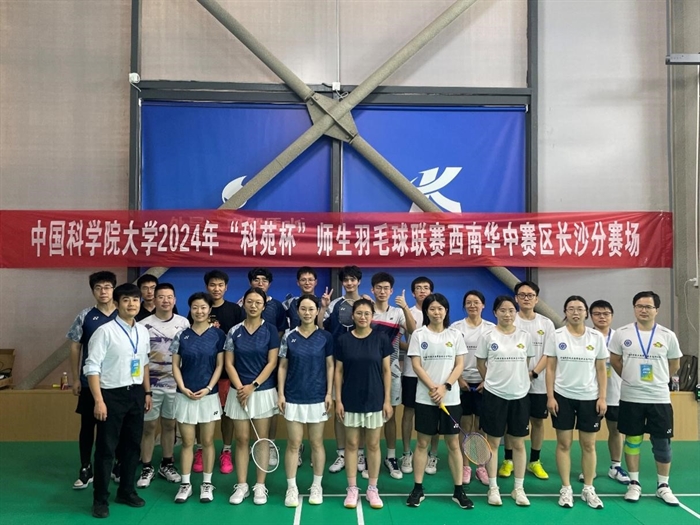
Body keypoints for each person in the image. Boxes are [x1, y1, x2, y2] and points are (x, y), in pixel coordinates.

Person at [84, 283, 152, 519]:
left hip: (136, 394)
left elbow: (144, 363)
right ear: (116, 303)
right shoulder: (105, 331)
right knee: (106, 449)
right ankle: (100, 499)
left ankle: (126, 491)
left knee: (132, 446)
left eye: (135, 300)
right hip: (111, 394)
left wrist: (147, 392)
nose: (132, 304)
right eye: (126, 300)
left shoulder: (142, 331)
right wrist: (98, 400)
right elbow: (91, 367)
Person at [609, 291, 682, 507]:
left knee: (662, 443)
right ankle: (634, 483)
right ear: (634, 308)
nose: (643, 310)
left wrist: (658, 380)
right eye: (639, 306)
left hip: (659, 397)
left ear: (656, 310)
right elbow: (615, 360)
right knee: (632, 440)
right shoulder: (621, 333)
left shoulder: (668, 335)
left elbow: (674, 364)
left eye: (648, 307)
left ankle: (663, 486)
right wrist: (631, 379)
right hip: (631, 397)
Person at [406, 293, 473, 510]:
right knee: (422, 443)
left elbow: (459, 365)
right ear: (426, 311)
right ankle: (417, 488)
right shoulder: (419, 335)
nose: (436, 312)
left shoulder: (455, 335)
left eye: (440, 308)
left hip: (450, 399)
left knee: (453, 444)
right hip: (425, 399)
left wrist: (445, 387)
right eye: (432, 309)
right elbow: (416, 365)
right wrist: (433, 388)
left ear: (446, 311)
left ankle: (458, 490)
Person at [545, 295, 607, 510]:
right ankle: (566, 488)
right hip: (562, 397)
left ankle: (588, 488)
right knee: (564, 444)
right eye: (571, 308)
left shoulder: (596, 337)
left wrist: (602, 397)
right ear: (565, 312)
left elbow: (601, 369)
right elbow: (550, 368)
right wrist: (550, 396)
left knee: (589, 445)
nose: (575, 312)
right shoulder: (556, 335)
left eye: (580, 308)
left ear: (586, 313)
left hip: (590, 398)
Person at [475, 295, 535, 507]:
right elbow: (480, 363)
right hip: (494, 396)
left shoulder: (525, 336)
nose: (507, 314)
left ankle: (518, 488)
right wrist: (491, 381)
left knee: (518, 443)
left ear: (515, 312)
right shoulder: (487, 336)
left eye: (511, 310)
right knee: (493, 443)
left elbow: (527, 362)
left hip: (519, 396)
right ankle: (493, 488)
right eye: (502, 310)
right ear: (495, 312)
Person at [335, 299, 392, 510]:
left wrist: (387, 400)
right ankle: (352, 488)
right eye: (359, 313)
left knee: (373, 445)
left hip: (375, 398)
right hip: (350, 399)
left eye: (367, 313)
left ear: (372, 316)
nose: (363, 317)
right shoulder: (343, 340)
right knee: (351, 445)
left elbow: (386, 371)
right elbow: (338, 371)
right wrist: (338, 400)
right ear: (353, 315)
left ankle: (372, 488)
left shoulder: (381, 339)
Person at [224, 287, 280, 506]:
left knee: (261, 439)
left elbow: (272, 362)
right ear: (244, 303)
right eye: (250, 301)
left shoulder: (271, 330)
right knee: (241, 439)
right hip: (238, 391)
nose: (253, 305)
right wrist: (241, 388)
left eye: (258, 302)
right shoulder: (234, 331)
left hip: (262, 390)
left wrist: (252, 386)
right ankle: (242, 485)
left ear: (264, 306)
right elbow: (229, 363)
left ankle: (259, 485)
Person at [278, 294, 334, 507]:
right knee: (294, 443)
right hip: (293, 396)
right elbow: (283, 366)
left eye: (311, 309)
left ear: (317, 311)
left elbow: (330, 365)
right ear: (297, 311)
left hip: (317, 396)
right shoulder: (288, 336)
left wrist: (329, 393)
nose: (307, 313)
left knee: (317, 443)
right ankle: (291, 488)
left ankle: (317, 486)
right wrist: (281, 394)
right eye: (303, 309)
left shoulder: (325, 337)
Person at [187, 270, 244, 476]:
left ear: (226, 287)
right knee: (201, 414)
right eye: (212, 285)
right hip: (202, 373)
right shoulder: (198, 310)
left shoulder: (235, 310)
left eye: (220, 285)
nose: (216, 288)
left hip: (227, 373)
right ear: (206, 287)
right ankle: (200, 449)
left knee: (227, 413)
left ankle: (226, 450)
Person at [170, 292, 226, 504]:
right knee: (187, 442)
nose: (199, 311)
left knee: (208, 441)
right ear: (190, 309)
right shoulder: (181, 336)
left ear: (210, 310)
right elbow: (175, 365)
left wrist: (209, 387)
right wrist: (183, 387)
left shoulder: (218, 335)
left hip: (208, 395)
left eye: (203, 307)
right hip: (185, 395)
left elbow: (220, 365)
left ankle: (207, 484)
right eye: (195, 307)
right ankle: (185, 484)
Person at [500, 281, 555, 481]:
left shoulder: (546, 324)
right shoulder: (509, 319)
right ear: (516, 298)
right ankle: (508, 460)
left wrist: (533, 373)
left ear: (536, 299)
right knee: (511, 422)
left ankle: (534, 461)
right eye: (522, 295)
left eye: (530, 295)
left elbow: (549, 353)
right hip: (512, 383)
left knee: (537, 421)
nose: (526, 298)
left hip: (537, 383)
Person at [67, 271, 118, 490]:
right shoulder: (85, 315)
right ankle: (86, 467)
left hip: (117, 382)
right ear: (93, 291)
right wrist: (75, 377)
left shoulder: (124, 313)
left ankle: (116, 465)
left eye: (107, 287)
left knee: (116, 427)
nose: (103, 291)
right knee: (88, 425)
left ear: (113, 289)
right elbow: (75, 347)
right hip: (90, 381)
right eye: (98, 288)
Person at [136, 283, 190, 488]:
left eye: (169, 297)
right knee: (149, 426)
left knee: (169, 425)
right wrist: (146, 390)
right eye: (161, 297)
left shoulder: (184, 323)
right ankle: (146, 466)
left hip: (175, 385)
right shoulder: (143, 325)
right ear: (154, 299)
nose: (165, 300)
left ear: (175, 300)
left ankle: (167, 464)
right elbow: (140, 359)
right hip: (151, 386)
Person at [369, 272, 416, 480]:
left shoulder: (397, 313)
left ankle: (390, 456)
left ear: (391, 291)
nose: (382, 291)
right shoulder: (366, 311)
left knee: (389, 415)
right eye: (378, 287)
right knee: (368, 415)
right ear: (372, 289)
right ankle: (366, 456)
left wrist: (405, 307)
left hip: (393, 369)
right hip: (368, 370)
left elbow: (413, 331)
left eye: (386, 288)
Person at [577, 300, 630, 484]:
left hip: (615, 392)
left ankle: (615, 466)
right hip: (590, 392)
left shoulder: (620, 337)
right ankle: (588, 469)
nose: (602, 317)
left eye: (606, 314)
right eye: (597, 314)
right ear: (590, 316)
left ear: (612, 316)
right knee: (587, 434)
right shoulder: (585, 336)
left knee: (616, 430)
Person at [318, 265, 365, 474]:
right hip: (339, 361)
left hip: (361, 362)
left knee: (361, 407)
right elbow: (321, 327)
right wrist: (322, 307)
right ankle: (341, 453)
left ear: (359, 281)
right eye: (346, 280)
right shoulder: (334, 304)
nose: (349, 283)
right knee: (339, 406)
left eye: (353, 279)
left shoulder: (366, 303)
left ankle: (360, 452)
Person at [243, 267, 287, 467]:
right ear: (250, 282)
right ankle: (251, 446)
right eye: (256, 279)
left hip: (271, 362)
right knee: (248, 403)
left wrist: (269, 348)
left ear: (269, 284)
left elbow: (280, 331)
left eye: (264, 280)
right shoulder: (242, 304)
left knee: (271, 408)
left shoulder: (276, 306)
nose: (260, 283)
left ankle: (270, 445)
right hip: (246, 364)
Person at [450, 289, 494, 485]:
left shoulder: (492, 328)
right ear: (464, 306)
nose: (472, 305)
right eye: (468, 302)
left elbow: (495, 358)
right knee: (465, 426)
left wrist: (487, 379)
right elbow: (451, 357)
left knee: (481, 427)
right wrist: (459, 379)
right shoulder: (456, 328)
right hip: (463, 383)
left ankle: (481, 466)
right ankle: (466, 466)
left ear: (483, 305)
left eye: (476, 302)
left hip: (485, 383)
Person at [400, 277, 441, 475]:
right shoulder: (407, 312)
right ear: (413, 293)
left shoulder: (438, 312)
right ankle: (406, 453)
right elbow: (401, 338)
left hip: (434, 374)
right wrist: (413, 349)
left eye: (426, 288)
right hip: (411, 372)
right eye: (418, 288)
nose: (422, 291)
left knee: (434, 413)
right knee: (409, 412)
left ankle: (433, 455)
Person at [283, 266, 318, 331]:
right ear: (298, 283)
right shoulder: (290, 303)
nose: (307, 283)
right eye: (303, 280)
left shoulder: (322, 303)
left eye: (310, 280)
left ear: (315, 282)